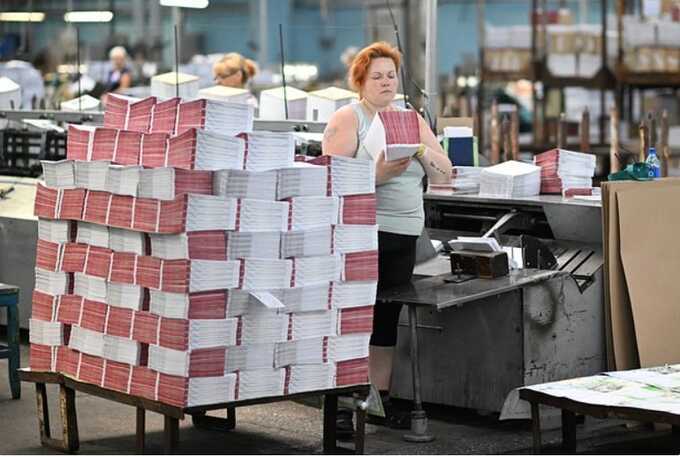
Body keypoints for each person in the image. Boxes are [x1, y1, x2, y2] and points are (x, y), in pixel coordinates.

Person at [322, 42, 452, 434]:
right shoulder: (350, 118)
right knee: (354, 319)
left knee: (386, 317)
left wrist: (419, 152)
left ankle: (380, 400)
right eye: (376, 76)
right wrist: (378, 174)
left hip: (404, 234)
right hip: (363, 232)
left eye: (390, 75)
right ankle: (346, 404)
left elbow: (445, 171)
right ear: (361, 81)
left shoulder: (410, 118)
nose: (385, 82)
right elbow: (331, 181)